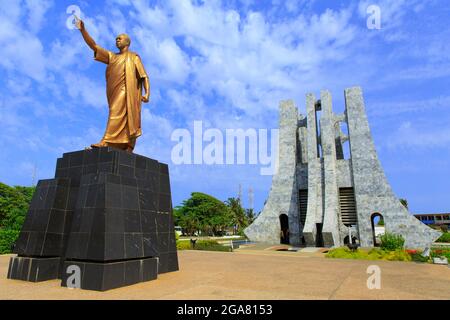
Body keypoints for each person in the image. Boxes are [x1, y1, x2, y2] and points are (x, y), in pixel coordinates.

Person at [75, 17, 150, 152]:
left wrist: (147, 93)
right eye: (116, 38)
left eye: (120, 38)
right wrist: (83, 30)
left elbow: (144, 76)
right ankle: (122, 145)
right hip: (113, 93)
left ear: (127, 42)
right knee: (115, 112)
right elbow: (94, 46)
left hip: (128, 92)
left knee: (117, 113)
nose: (117, 40)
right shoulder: (112, 57)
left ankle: (106, 141)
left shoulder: (134, 57)